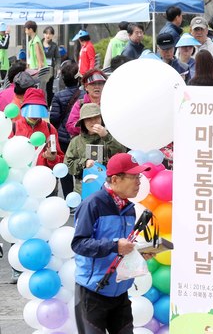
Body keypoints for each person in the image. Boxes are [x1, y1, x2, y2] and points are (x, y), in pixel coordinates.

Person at [72, 153, 153, 333]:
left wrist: (139, 254)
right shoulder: (92, 204)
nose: (139, 182)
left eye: (138, 176)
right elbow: (78, 244)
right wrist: (114, 246)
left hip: (120, 291)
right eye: (133, 177)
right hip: (92, 292)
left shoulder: (129, 208)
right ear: (115, 179)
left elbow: (124, 248)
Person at [64, 103, 127, 194]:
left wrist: (106, 137)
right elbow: (68, 165)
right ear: (83, 122)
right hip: (83, 190)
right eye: (89, 119)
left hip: (108, 189)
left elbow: (122, 155)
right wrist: (84, 163)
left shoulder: (110, 136)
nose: (94, 122)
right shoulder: (76, 141)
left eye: (97, 117)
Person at [50, 61, 82, 196]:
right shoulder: (84, 96)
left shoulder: (58, 96)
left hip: (64, 138)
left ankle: (69, 199)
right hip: (80, 137)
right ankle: (79, 196)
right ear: (79, 79)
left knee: (66, 167)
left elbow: (54, 118)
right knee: (80, 166)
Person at [10, 88, 64, 167]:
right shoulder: (14, 127)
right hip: (19, 176)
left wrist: (53, 159)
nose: (35, 114)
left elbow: (60, 159)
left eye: (38, 109)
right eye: (32, 108)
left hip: (42, 176)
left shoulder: (50, 128)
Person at [66, 69, 107, 138]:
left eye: (100, 83)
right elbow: (70, 126)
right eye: (93, 83)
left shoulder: (110, 104)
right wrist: (87, 128)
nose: (97, 86)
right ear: (86, 86)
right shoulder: (80, 104)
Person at [190, 16, 213, 82]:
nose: (199, 32)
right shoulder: (185, 48)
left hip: (212, 88)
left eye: (202, 29)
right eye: (196, 29)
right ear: (191, 31)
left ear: (207, 31)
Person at [42, 26, 62, 104]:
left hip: (50, 69)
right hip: (40, 69)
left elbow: (57, 57)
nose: (48, 35)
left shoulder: (54, 45)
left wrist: (58, 67)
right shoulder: (39, 43)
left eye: (50, 34)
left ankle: (49, 105)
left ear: (52, 35)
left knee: (49, 88)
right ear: (44, 34)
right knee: (41, 88)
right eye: (46, 33)